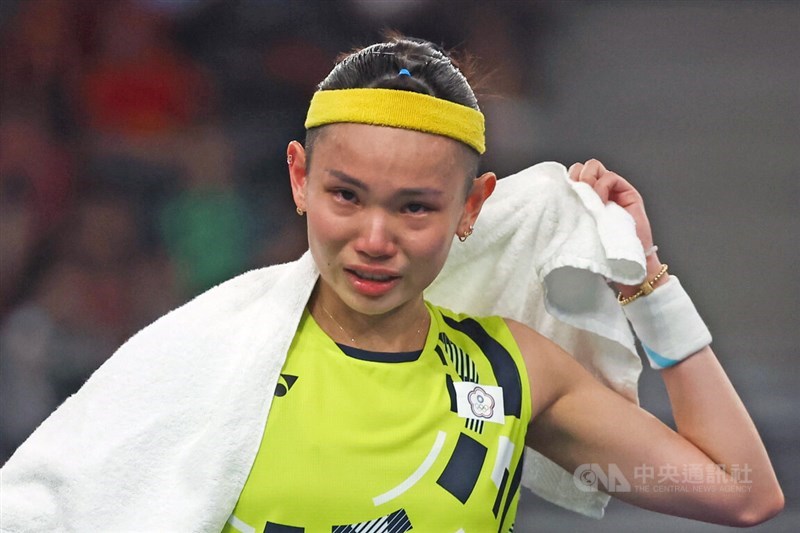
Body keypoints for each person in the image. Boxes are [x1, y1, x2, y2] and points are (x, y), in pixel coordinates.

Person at [0, 36, 783, 532]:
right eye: (347, 196)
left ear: (472, 206)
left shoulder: (518, 370)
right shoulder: (209, 353)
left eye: (415, 207)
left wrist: (646, 281)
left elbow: (742, 492)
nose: (375, 239)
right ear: (300, 179)